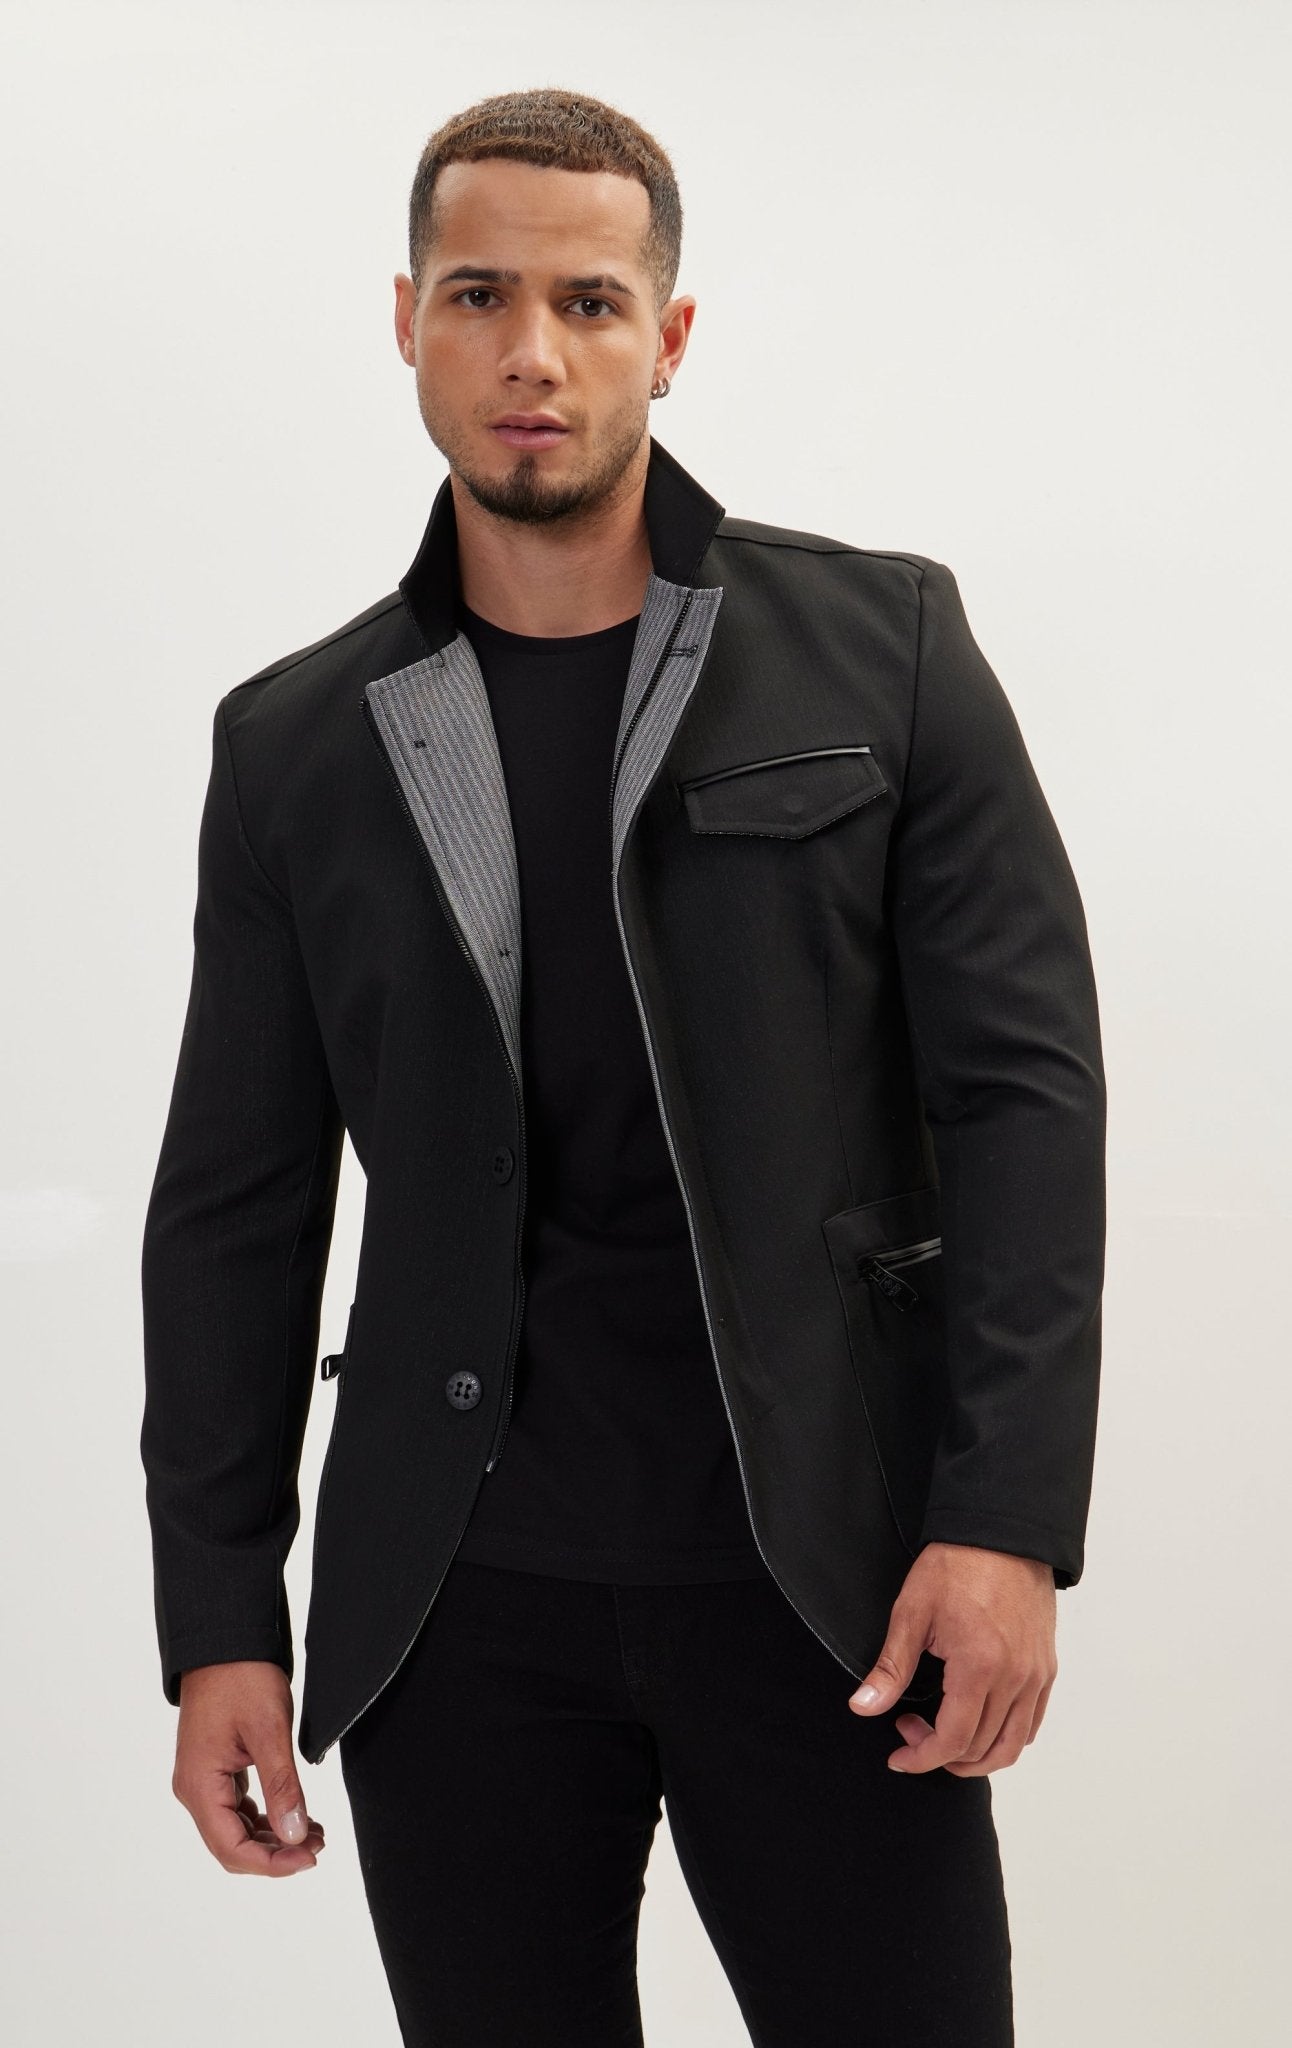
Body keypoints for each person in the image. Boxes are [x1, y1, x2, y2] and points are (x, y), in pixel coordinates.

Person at [141, 84, 1106, 2047]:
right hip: (459, 1611)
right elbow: (235, 1204)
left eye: (587, 302)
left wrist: (1003, 1518)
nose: (532, 352)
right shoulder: (297, 744)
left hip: (828, 1582)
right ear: (406, 322)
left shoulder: (885, 652)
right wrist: (220, 1618)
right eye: (479, 295)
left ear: (667, 338)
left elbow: (1026, 1104)